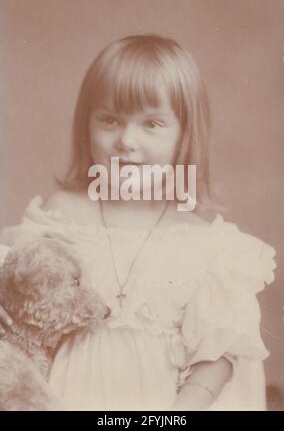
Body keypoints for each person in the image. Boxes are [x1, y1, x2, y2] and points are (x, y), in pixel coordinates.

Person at [0, 34, 277, 410]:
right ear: (87, 126)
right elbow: (19, 286)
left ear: (184, 135)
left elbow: (220, 355)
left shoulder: (202, 241)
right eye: (110, 120)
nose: (126, 141)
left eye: (152, 124)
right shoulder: (62, 213)